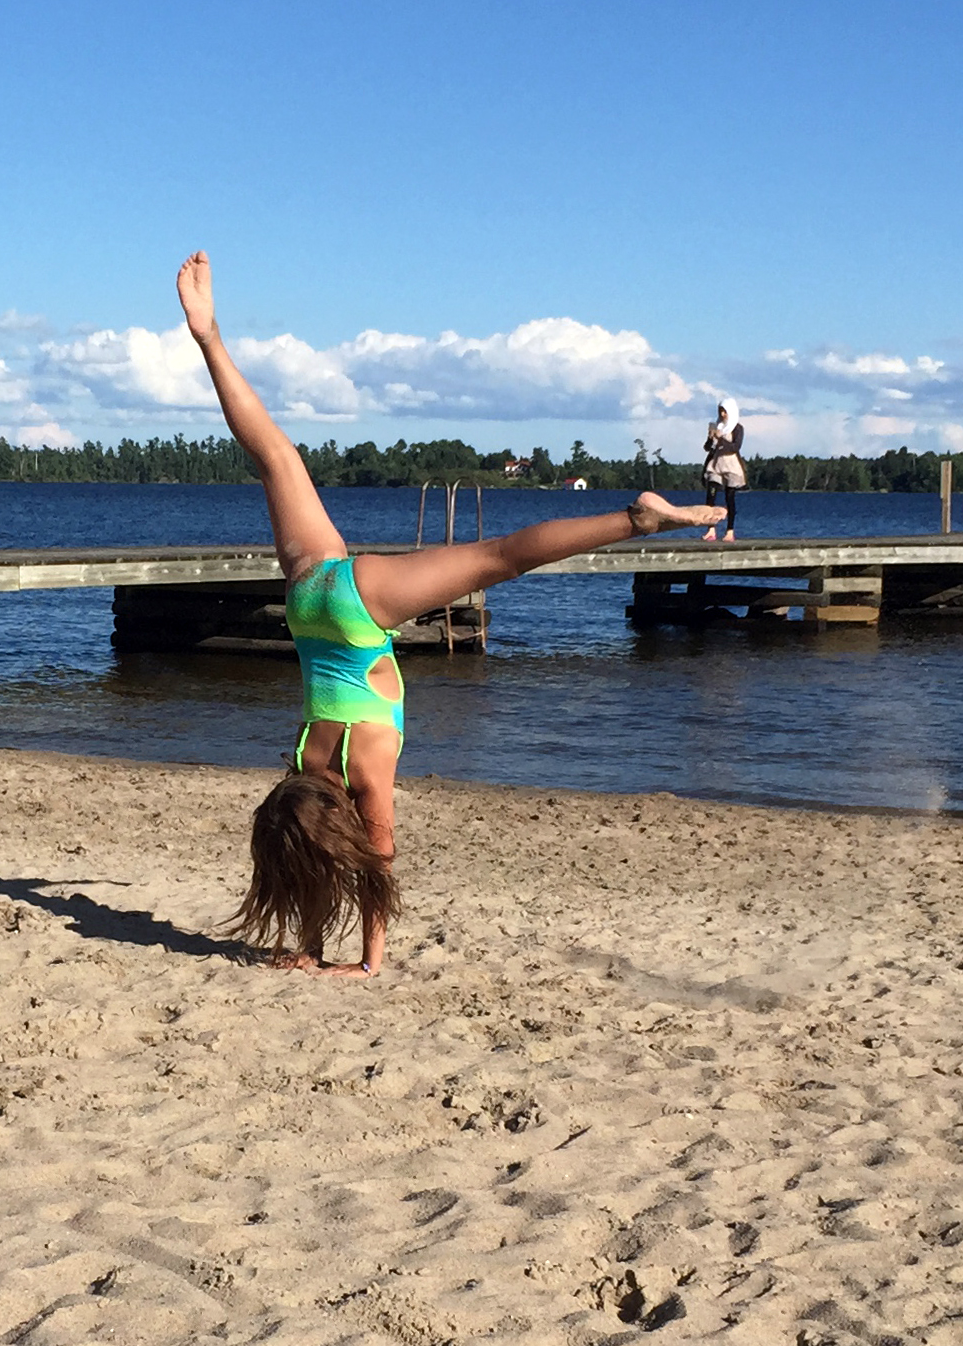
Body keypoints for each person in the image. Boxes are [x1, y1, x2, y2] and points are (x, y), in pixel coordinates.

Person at [175, 251, 725, 977]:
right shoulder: (304, 765)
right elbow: (322, 840)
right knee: (277, 458)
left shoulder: (363, 770)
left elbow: (377, 860)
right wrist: (310, 953)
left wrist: (365, 963)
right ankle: (210, 338)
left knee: (499, 557)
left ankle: (636, 519)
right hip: (311, 600)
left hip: (358, 611)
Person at [699, 399, 746, 542]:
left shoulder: (737, 428)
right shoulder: (718, 426)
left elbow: (735, 447)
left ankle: (730, 531)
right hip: (716, 464)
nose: (722, 414)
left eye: (725, 411)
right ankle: (711, 528)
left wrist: (721, 439)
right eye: (720, 411)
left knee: (729, 498)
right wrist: (710, 438)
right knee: (711, 495)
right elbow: (707, 448)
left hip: (731, 465)